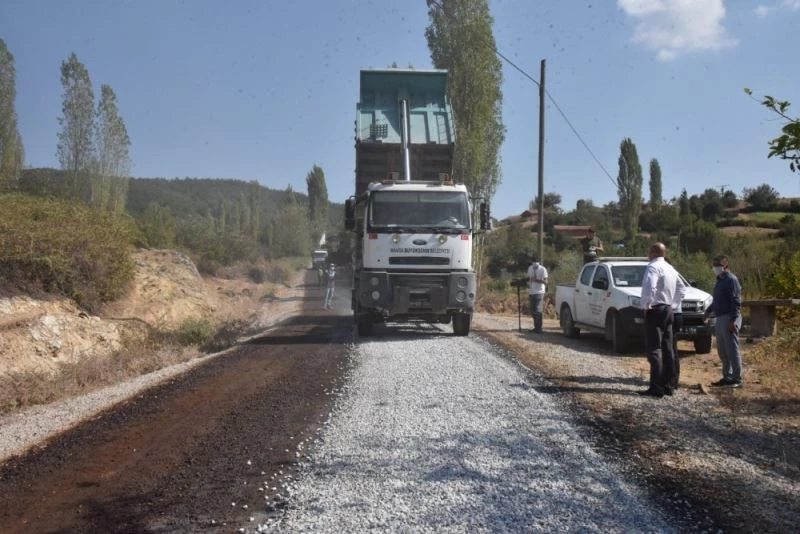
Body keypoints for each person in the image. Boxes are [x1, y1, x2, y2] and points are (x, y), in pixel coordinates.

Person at [639, 242, 685, 398]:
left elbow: (650, 287)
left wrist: (646, 305)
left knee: (654, 348)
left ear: (653, 252)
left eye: (649, 251)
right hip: (669, 310)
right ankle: (668, 385)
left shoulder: (653, 267)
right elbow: (681, 288)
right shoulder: (670, 268)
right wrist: (674, 304)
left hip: (656, 310)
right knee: (668, 348)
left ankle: (656, 387)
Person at [707, 255, 743, 388]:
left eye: (718, 265)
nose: (715, 267)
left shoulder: (731, 280)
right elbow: (717, 300)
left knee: (732, 349)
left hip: (729, 317)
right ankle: (727, 377)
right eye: (714, 265)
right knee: (723, 351)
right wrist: (708, 311)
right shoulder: (719, 281)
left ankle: (737, 379)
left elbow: (736, 301)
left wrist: (733, 320)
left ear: (726, 266)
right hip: (720, 317)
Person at [527, 254, 548, 333]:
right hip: (532, 291)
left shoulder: (543, 269)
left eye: (536, 261)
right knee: (533, 310)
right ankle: (536, 327)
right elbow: (529, 278)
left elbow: (546, 282)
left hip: (539, 292)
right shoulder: (530, 268)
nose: (534, 263)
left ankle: (539, 328)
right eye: (533, 261)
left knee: (537, 310)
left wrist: (537, 280)